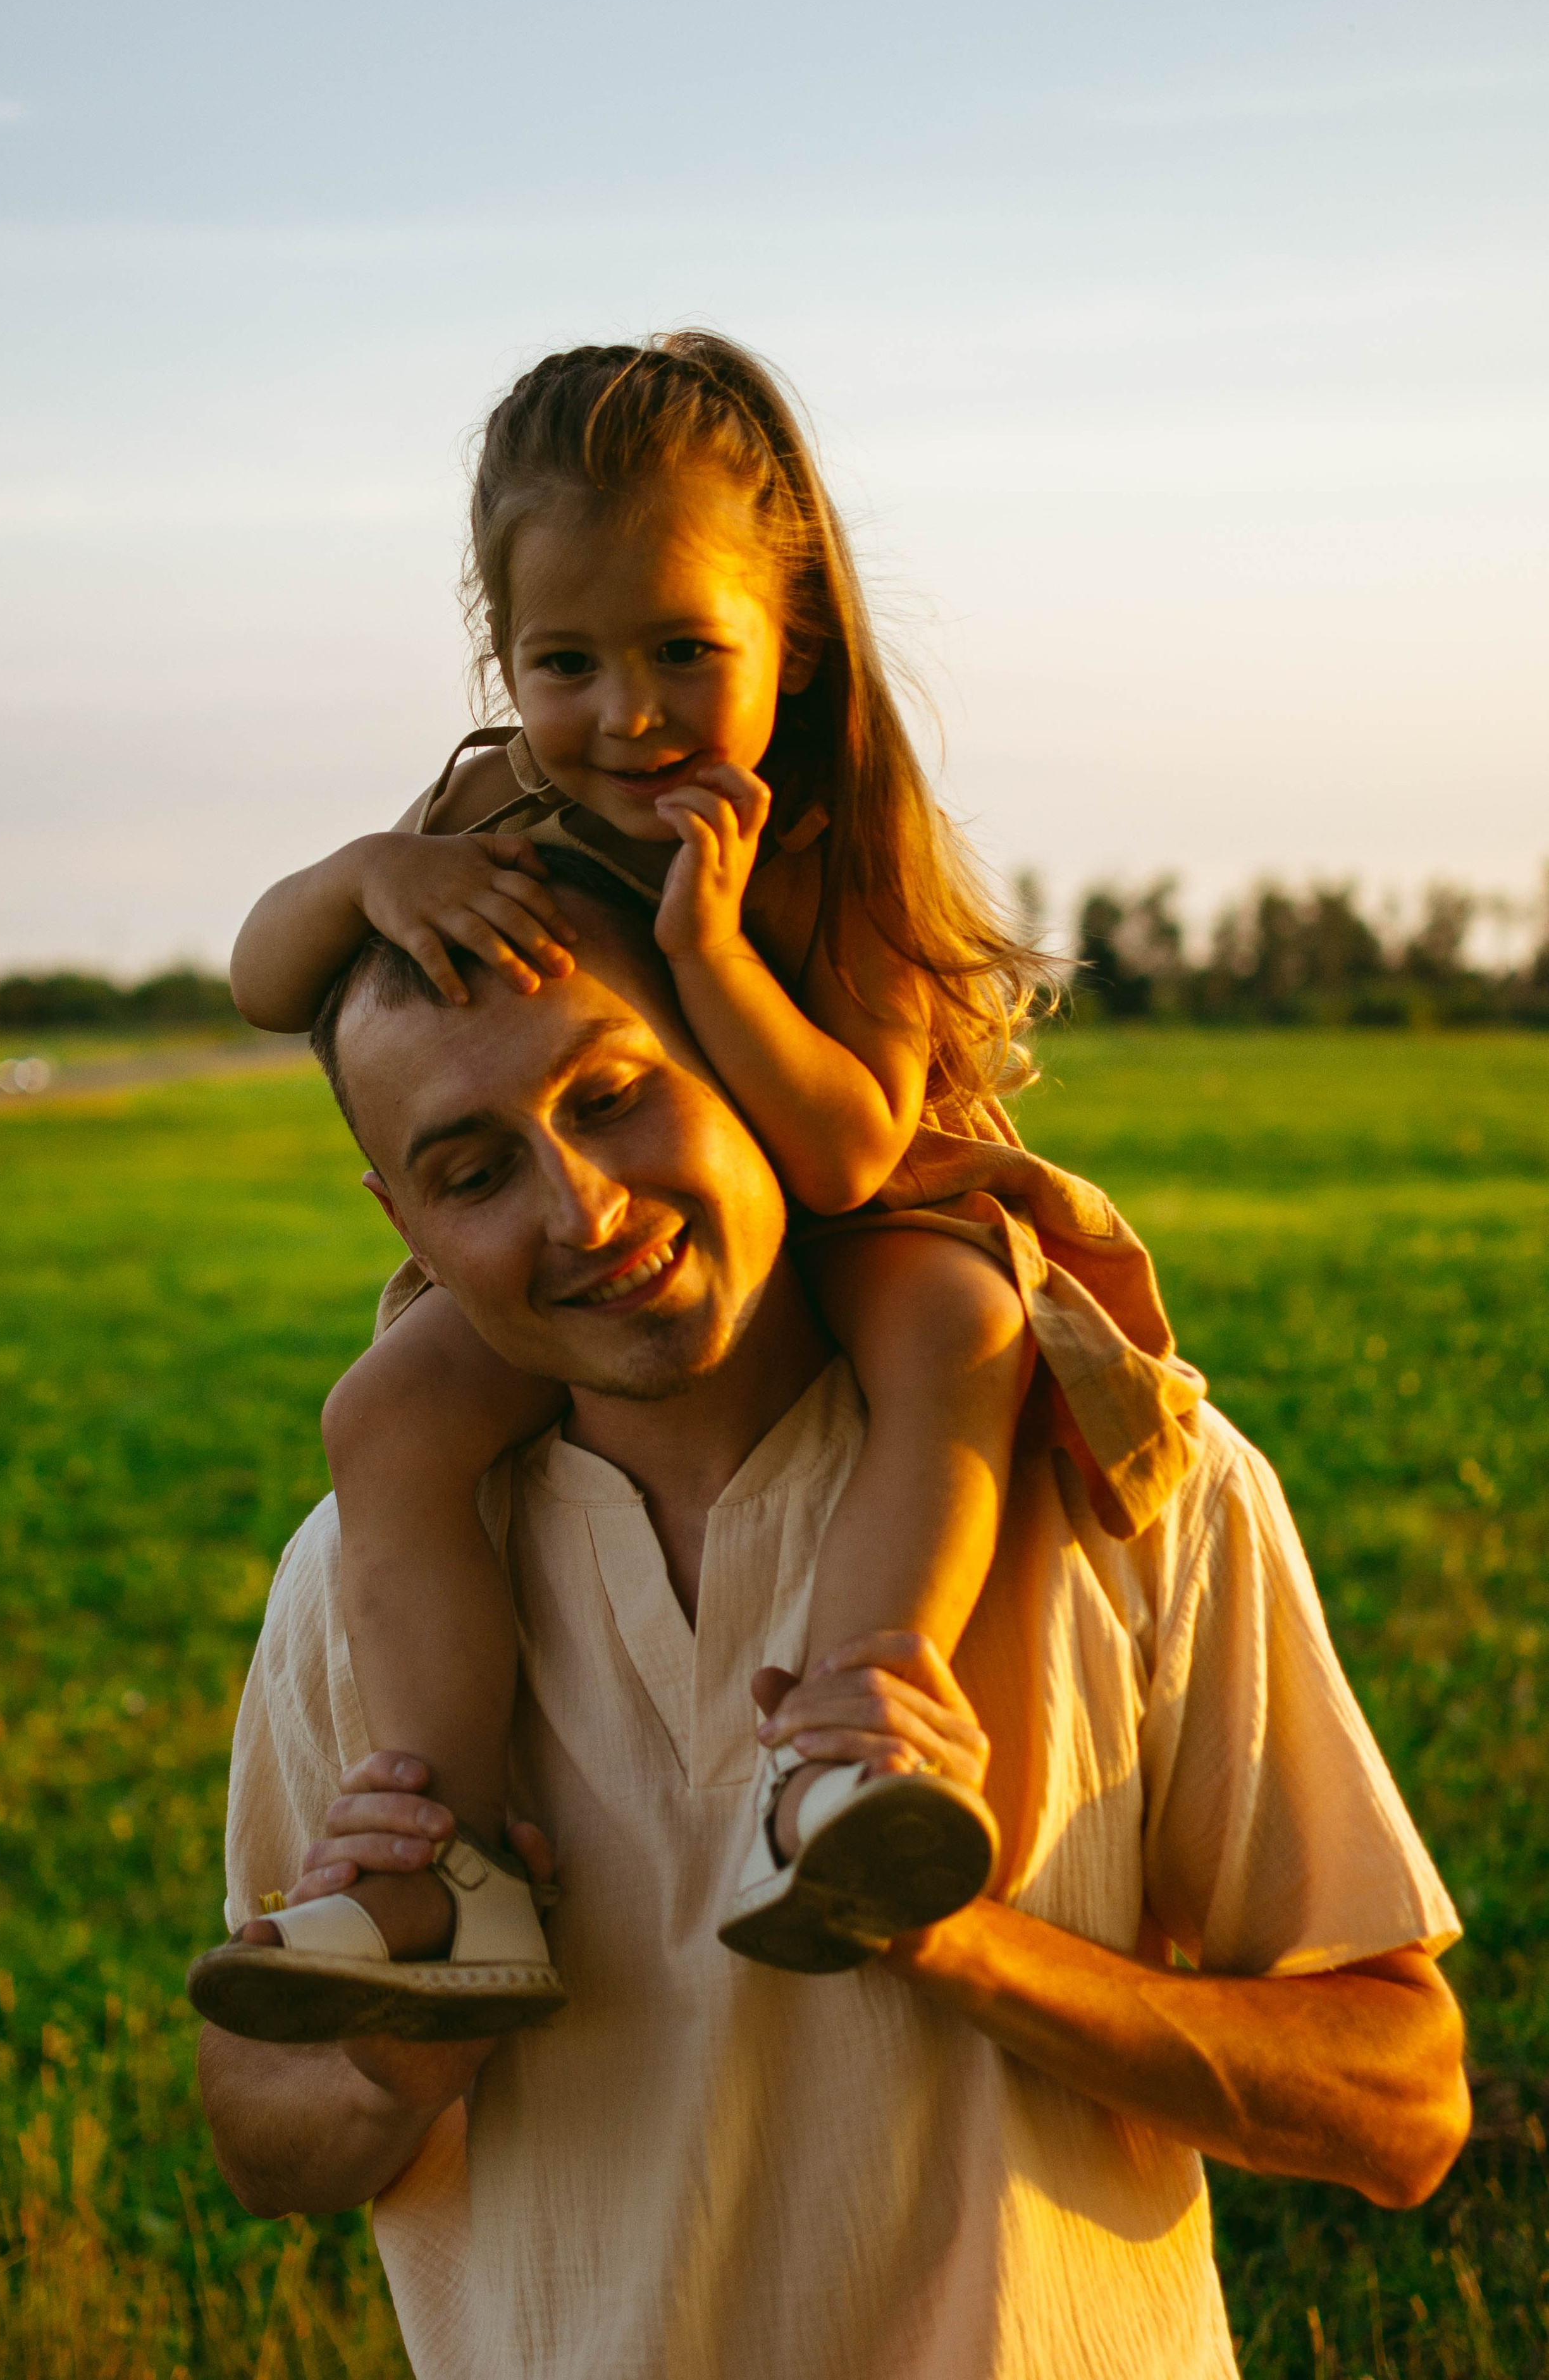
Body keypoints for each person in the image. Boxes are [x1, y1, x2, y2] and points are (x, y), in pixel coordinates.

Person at [192, 880, 1468, 2380]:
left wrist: (954, 1939)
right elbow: (259, 2135)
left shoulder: (1122, 1486)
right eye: (472, 1173)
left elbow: (1400, 2104)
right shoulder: (362, 1576)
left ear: (748, 1068)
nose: (583, 1211)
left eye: (613, 1098)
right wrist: (391, 2067)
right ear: (402, 1222)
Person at [222, 332, 1049, 2020]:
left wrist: (711, 954)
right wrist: (370, 873)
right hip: (616, 1235)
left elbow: (846, 1155)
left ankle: (844, 1751)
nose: (628, 713)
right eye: (566, 661)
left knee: (957, 1326)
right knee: (384, 1418)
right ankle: (451, 1859)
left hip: (847, 1220)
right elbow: (258, 978)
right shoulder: (489, 804)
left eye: (684, 649)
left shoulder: (825, 845)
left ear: (790, 637)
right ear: (503, 657)